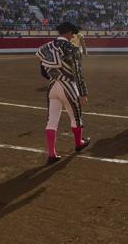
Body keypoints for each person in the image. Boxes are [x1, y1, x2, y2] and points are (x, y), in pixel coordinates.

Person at [36, 21, 90, 165]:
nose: (73, 36)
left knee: (51, 120)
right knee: (76, 117)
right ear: (68, 33)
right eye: (72, 33)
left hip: (53, 86)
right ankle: (79, 143)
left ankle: (52, 154)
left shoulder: (45, 47)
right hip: (69, 86)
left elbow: (42, 70)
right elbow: (78, 73)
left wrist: (55, 77)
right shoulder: (73, 49)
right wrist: (83, 92)